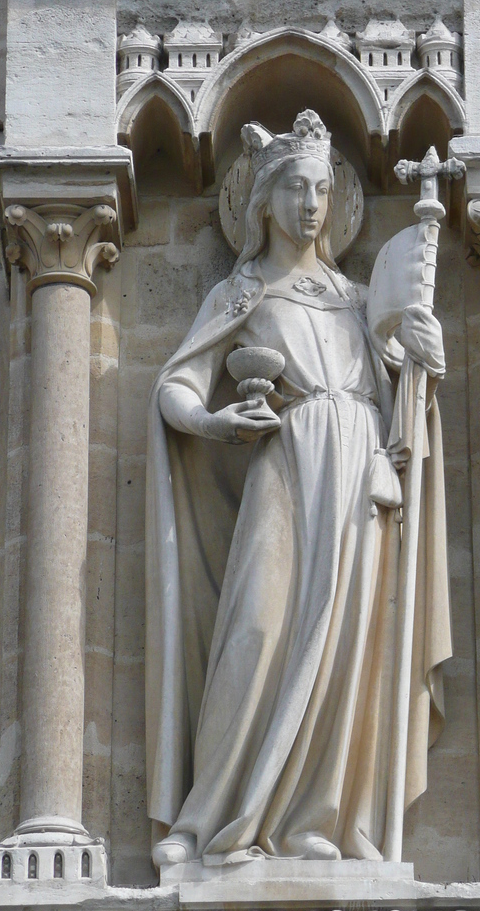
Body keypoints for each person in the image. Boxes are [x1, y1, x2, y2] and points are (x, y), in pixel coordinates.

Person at [145, 109, 451, 867]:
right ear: (264, 200)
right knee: (256, 630)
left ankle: (317, 816)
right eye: (295, 189)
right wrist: (217, 424)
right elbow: (174, 389)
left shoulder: (355, 299)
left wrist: (421, 358)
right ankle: (206, 819)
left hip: (358, 476)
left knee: (349, 641)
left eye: (321, 189)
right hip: (283, 464)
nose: (310, 203)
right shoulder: (242, 293)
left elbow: (401, 409)